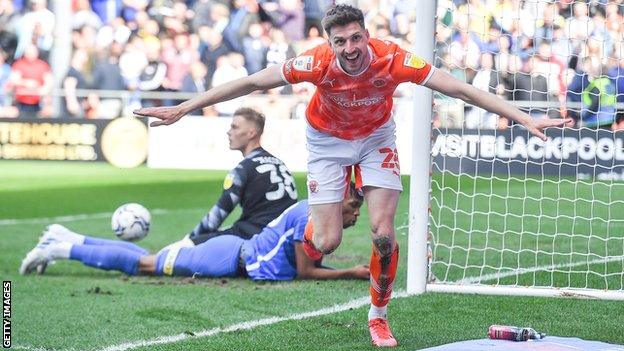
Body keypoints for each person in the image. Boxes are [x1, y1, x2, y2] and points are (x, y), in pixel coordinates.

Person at [134, 5, 571, 347]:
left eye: (355, 38)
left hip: (376, 138)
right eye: (340, 40)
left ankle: (378, 318)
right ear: (329, 41)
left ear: (366, 34)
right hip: (325, 142)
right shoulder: (315, 63)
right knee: (326, 243)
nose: (349, 47)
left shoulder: (392, 58)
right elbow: (252, 82)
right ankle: (312, 219)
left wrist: (520, 116)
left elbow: (456, 87)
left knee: (384, 233)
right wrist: (183, 107)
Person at [19, 184, 368, 283]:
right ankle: (60, 248)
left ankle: (64, 236)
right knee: (146, 265)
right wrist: (352, 273)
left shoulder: (315, 210)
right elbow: (305, 272)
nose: (355, 215)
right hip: (229, 257)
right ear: (339, 202)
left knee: (147, 260)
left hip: (235, 252)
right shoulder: (309, 217)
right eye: (354, 207)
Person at [183, 107, 297, 246]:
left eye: (234, 127)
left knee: (185, 251)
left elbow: (218, 215)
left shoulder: (243, 169)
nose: (229, 132)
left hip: (256, 238)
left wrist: (188, 241)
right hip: (286, 237)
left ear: (251, 133)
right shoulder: (280, 163)